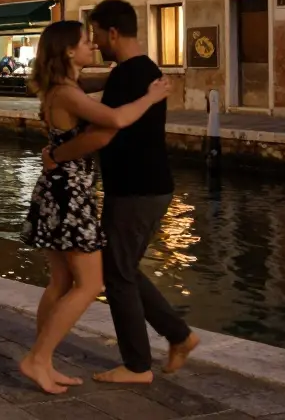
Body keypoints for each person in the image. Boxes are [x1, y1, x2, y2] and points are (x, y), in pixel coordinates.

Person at [42, 0, 200, 385]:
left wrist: (56, 154)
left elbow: (104, 132)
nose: (94, 43)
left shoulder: (130, 76)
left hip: (136, 190)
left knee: (116, 273)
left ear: (112, 32)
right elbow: (82, 88)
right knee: (120, 268)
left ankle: (138, 365)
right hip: (139, 187)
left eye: (95, 33)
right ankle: (178, 336)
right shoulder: (134, 72)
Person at [19, 20, 171, 394]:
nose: (93, 46)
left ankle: (44, 359)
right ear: (70, 51)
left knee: (60, 282)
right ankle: (37, 359)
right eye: (86, 42)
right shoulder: (68, 95)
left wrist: (117, 76)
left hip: (57, 191)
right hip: (71, 195)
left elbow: (90, 85)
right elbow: (115, 121)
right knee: (91, 284)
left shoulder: (61, 87)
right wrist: (152, 96)